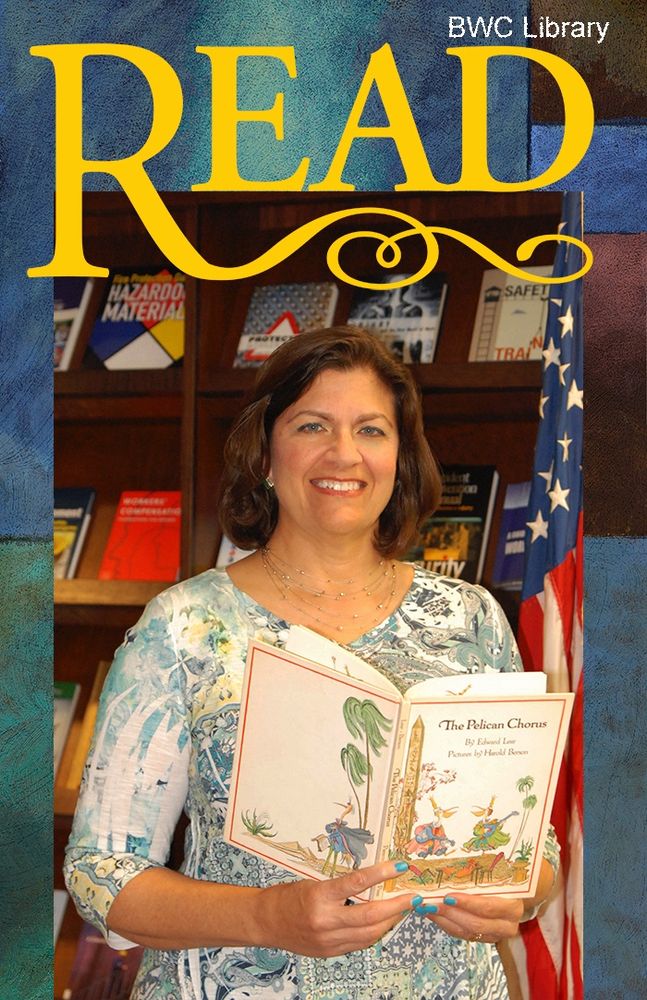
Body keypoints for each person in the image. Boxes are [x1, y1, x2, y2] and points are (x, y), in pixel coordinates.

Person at [64, 326, 559, 1000]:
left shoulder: (469, 619)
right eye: (312, 425)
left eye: (372, 430)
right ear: (265, 453)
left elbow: (537, 852)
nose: (344, 454)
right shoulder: (185, 627)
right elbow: (100, 874)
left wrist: (515, 897)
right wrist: (268, 918)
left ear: (400, 457)